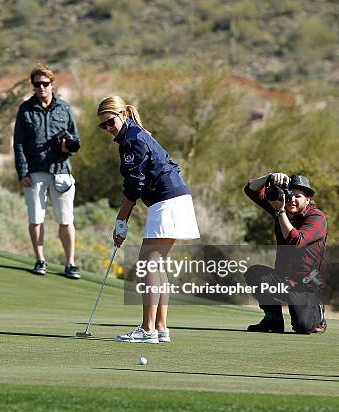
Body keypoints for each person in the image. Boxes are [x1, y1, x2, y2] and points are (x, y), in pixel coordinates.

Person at [97, 96, 200, 344]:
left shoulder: (132, 140)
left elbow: (135, 184)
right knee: (156, 264)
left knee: (148, 264)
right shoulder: (135, 136)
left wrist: (121, 220)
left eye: (111, 122)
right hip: (174, 199)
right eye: (104, 126)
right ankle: (160, 327)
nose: (109, 129)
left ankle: (147, 329)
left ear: (123, 114)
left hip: (167, 201)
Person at [13, 63, 81, 279]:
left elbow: (76, 141)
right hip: (34, 172)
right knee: (36, 218)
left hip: (61, 171)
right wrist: (22, 173)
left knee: (65, 219)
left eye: (45, 83)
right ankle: (40, 260)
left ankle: (70, 263)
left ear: (52, 84)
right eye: (37, 84)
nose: (41, 87)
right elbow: (19, 144)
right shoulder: (25, 110)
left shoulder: (65, 108)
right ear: (33, 86)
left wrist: (66, 146)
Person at [243, 173, 328, 334]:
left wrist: (281, 212)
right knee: (255, 274)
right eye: (289, 194)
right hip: (283, 280)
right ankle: (272, 321)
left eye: (298, 196)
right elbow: (250, 190)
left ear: (308, 199)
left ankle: (318, 317)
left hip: (306, 285)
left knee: (303, 327)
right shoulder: (281, 208)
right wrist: (270, 177)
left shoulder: (316, 217)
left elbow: (296, 241)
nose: (292, 199)